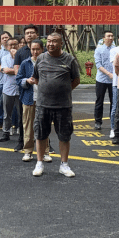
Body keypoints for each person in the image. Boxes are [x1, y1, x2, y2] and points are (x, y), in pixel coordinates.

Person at [31, 32, 80, 178]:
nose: (50, 44)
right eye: (49, 41)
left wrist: (63, 90)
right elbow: (36, 78)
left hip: (63, 105)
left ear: (61, 44)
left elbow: (76, 80)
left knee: (64, 136)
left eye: (54, 41)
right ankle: (39, 163)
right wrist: (47, 90)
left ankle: (64, 165)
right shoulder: (41, 58)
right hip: (43, 104)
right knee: (40, 134)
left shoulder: (69, 59)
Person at [15, 39, 51, 162]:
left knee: (44, 126)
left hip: (44, 100)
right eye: (33, 49)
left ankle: (45, 152)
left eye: (38, 49)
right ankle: (28, 151)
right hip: (28, 99)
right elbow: (18, 79)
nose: (35, 52)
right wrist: (27, 81)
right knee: (28, 126)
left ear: (42, 50)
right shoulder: (25, 63)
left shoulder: (47, 62)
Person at [12, 24, 40, 151]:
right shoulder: (20, 52)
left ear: (37, 35)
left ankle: (46, 146)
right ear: (24, 35)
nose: (30, 34)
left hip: (41, 93)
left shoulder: (42, 52)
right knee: (24, 119)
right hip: (25, 91)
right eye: (27, 33)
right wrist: (26, 80)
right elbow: (17, 71)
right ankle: (22, 143)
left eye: (32, 32)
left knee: (42, 121)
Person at [0, 38, 20, 142]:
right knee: (7, 113)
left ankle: (22, 132)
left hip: (21, 89)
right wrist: (16, 71)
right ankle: (5, 132)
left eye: (15, 45)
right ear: (7, 47)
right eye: (10, 45)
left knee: (22, 113)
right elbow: (6, 70)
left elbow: (22, 71)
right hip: (8, 88)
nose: (13, 47)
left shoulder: (22, 57)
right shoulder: (5, 58)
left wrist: (16, 60)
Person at [94, 30, 115, 130]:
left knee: (114, 102)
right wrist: (109, 74)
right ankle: (98, 122)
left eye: (112, 36)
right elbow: (98, 65)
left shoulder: (116, 50)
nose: (110, 38)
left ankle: (113, 122)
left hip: (113, 80)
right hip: (101, 79)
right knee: (99, 101)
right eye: (108, 36)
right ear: (104, 38)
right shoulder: (99, 49)